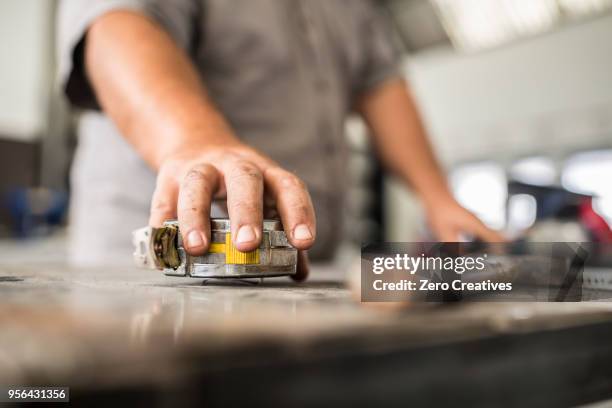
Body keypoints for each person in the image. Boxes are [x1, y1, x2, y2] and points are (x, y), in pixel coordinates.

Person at [57, 0, 503, 269]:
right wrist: (195, 143)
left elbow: (379, 80)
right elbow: (117, 26)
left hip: (302, 268)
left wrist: (437, 196)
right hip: (161, 269)